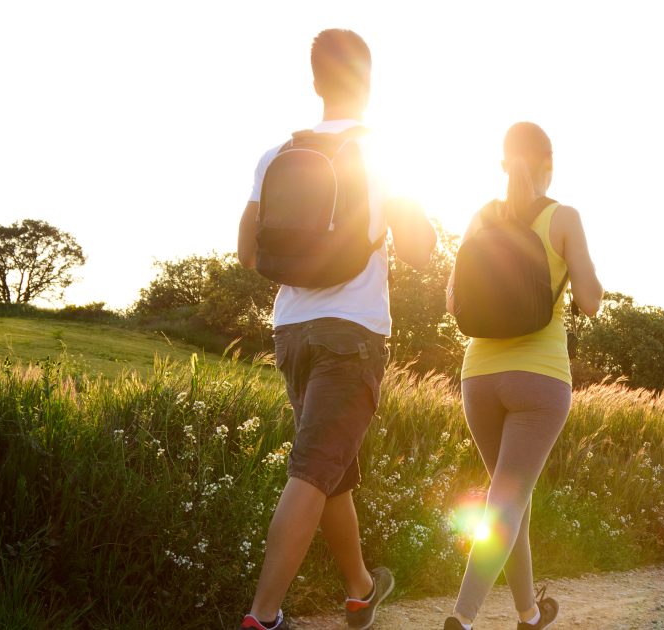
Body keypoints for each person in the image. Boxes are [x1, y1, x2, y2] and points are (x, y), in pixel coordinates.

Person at [235, 28, 436, 630]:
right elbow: (423, 252)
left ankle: (359, 590)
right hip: (353, 333)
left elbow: (247, 251)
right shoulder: (381, 157)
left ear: (316, 83)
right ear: (368, 85)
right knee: (313, 470)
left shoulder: (276, 156)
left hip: (291, 331)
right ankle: (262, 616)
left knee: (331, 472)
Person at [444, 122, 603, 630]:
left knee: (512, 499)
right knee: (507, 502)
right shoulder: (564, 218)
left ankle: (528, 613)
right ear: (548, 163)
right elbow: (592, 301)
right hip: (540, 379)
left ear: (504, 162)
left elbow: (452, 302)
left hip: (479, 377)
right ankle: (462, 618)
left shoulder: (480, 218)